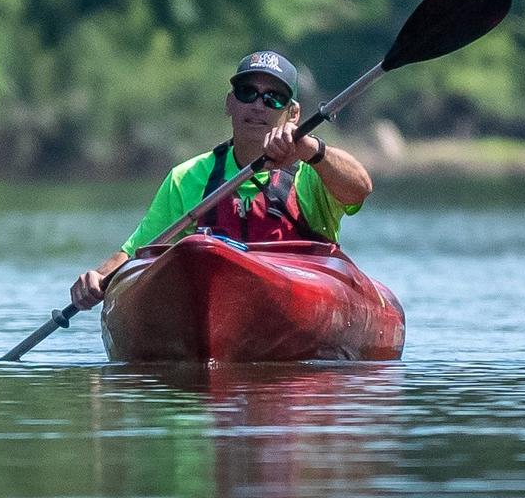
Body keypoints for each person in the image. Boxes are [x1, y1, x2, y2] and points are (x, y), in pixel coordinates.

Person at [68, 51, 377, 310]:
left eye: (274, 98)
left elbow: (359, 189)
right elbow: (139, 252)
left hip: (299, 304)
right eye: (247, 94)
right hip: (213, 308)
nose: (258, 105)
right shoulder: (188, 177)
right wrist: (98, 277)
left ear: (293, 112)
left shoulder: (313, 171)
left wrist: (309, 148)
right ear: (230, 102)